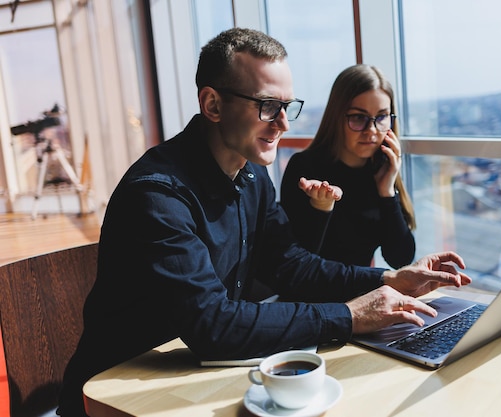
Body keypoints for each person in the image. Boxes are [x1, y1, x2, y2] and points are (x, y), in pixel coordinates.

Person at [58, 28, 471, 416]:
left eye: (287, 106)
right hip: (118, 393)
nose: (284, 124)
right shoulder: (156, 195)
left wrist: (387, 281)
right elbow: (212, 324)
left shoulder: (252, 176)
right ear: (213, 104)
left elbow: (291, 266)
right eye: (268, 106)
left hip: (192, 374)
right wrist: (350, 315)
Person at [280, 64, 415, 269]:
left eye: (381, 117)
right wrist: (320, 208)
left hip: (361, 294)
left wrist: (387, 192)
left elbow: (400, 259)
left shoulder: (382, 170)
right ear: (337, 117)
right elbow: (296, 263)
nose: (371, 131)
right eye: (359, 118)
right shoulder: (305, 169)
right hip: (313, 298)